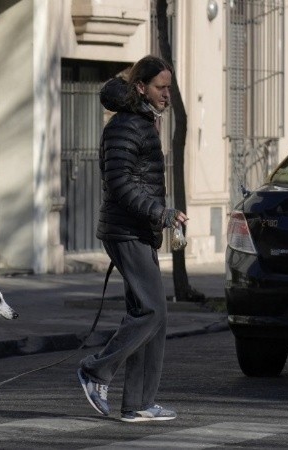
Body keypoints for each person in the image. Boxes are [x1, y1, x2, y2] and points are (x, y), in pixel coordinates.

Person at [77, 55, 188, 423]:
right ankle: (95, 372)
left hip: (139, 229)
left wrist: (160, 215)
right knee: (152, 309)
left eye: (169, 87)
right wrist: (161, 213)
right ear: (141, 86)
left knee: (152, 314)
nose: (167, 95)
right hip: (125, 231)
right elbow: (122, 184)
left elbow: (140, 181)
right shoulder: (126, 126)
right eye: (161, 87)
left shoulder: (141, 122)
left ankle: (139, 403)